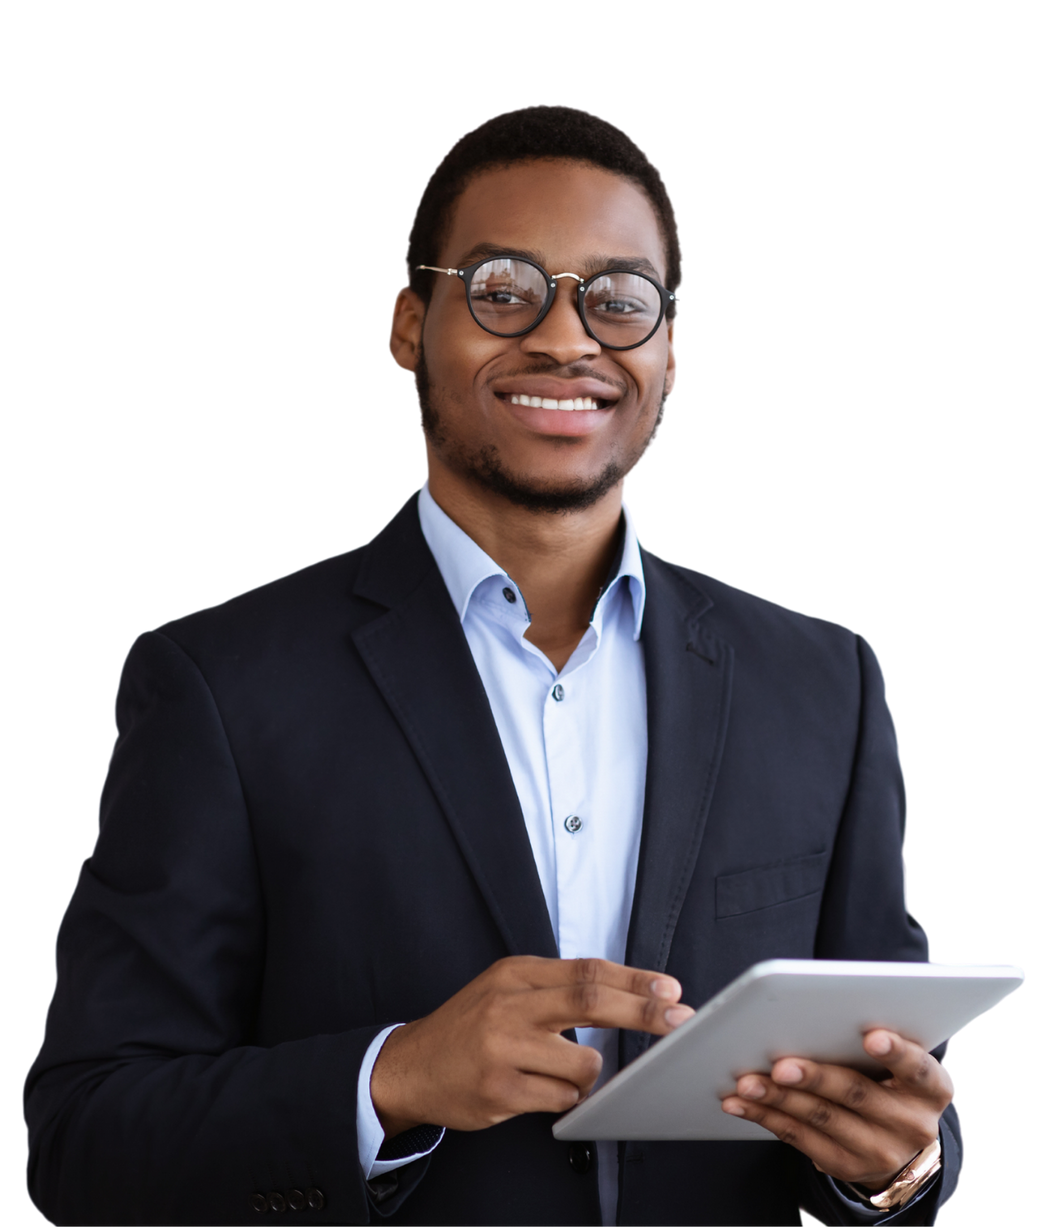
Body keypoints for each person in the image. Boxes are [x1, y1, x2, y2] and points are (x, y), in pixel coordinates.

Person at [24, 105, 961, 1226]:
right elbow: (83, 1144)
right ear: (410, 323)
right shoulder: (218, 687)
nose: (568, 340)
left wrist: (892, 1168)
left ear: (668, 351)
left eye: (617, 300)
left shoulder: (824, 683)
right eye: (504, 288)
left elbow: (902, 1086)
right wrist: (396, 1077)